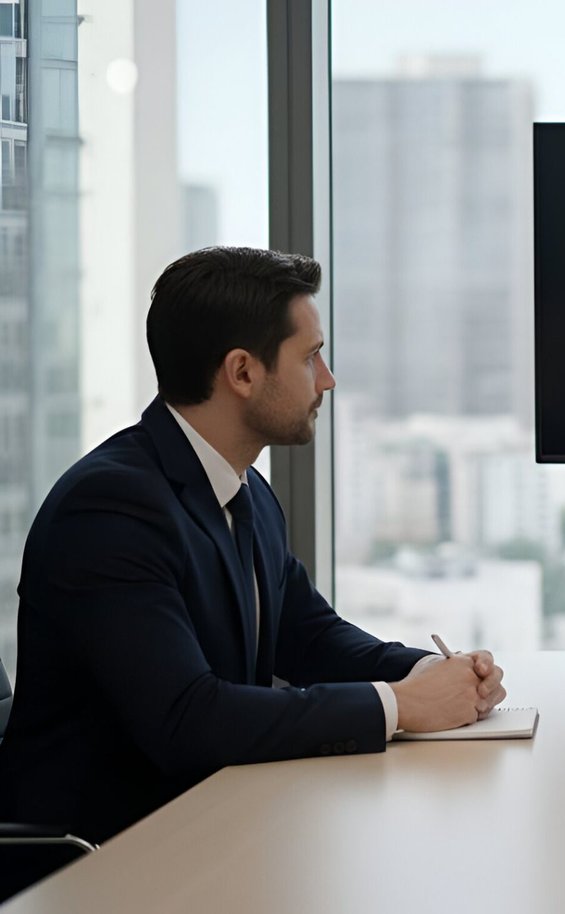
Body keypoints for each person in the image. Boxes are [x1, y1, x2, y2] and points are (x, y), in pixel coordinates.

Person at [0, 247, 508, 897]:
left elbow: (311, 636)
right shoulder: (110, 508)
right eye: (309, 356)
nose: (326, 379)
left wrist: (430, 674)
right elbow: (187, 718)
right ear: (242, 372)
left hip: (204, 828)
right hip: (101, 866)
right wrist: (403, 706)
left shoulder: (246, 491)